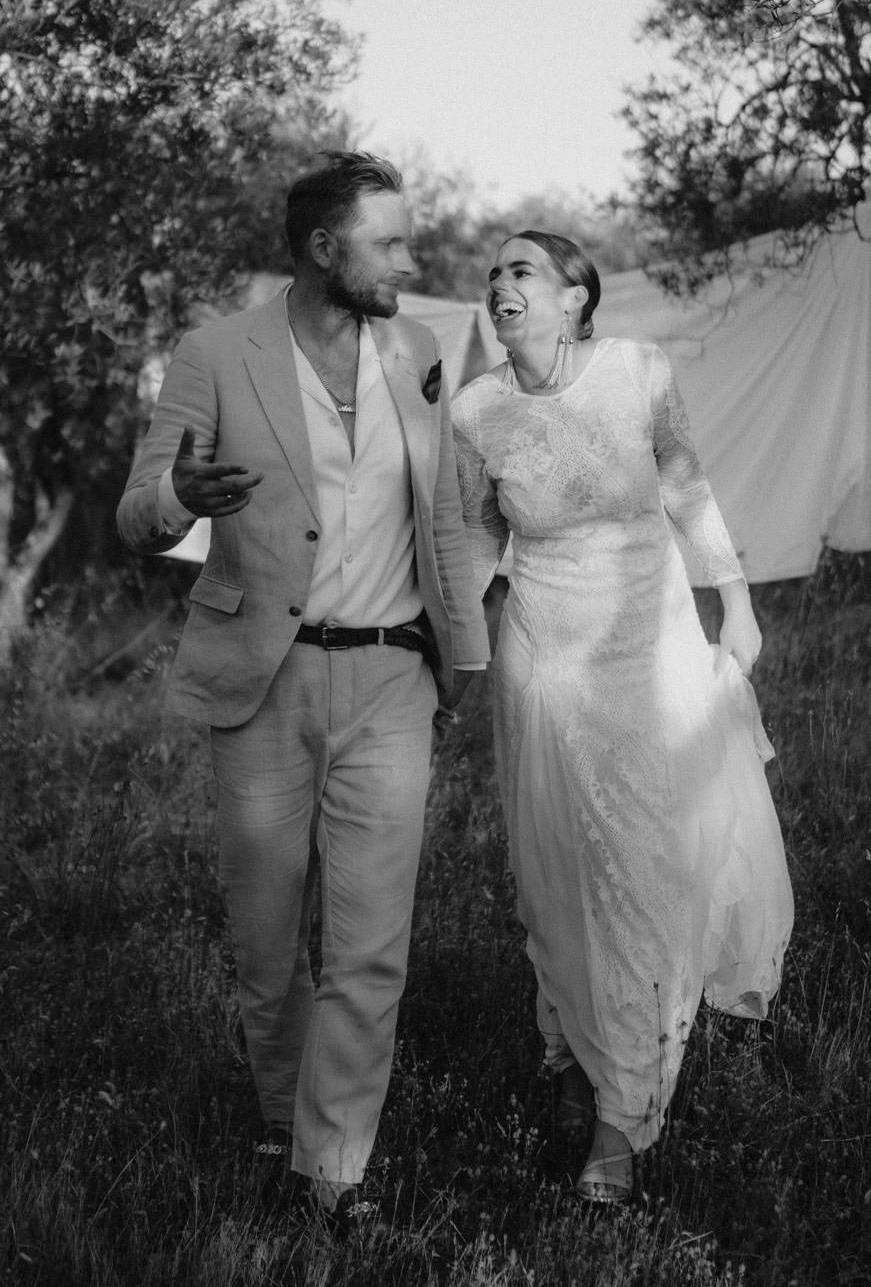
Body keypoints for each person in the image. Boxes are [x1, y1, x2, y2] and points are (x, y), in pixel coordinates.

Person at [117, 152, 490, 1226]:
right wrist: (178, 500)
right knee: (267, 939)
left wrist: (463, 661)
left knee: (370, 942)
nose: (410, 261)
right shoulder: (215, 352)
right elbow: (137, 511)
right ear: (326, 250)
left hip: (390, 679)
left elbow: (446, 519)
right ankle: (281, 1117)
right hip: (261, 684)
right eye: (391, 243)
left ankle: (333, 1170)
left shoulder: (417, 350)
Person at [451, 230, 793, 1205]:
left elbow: (684, 484)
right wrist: (449, 643)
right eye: (493, 274)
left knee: (637, 869)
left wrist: (735, 596)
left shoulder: (636, 371)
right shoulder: (476, 409)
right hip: (539, 661)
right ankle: (568, 1060)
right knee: (549, 864)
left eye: (522, 269)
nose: (501, 284)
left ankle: (624, 1113)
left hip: (645, 652)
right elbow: (477, 537)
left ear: (573, 296)